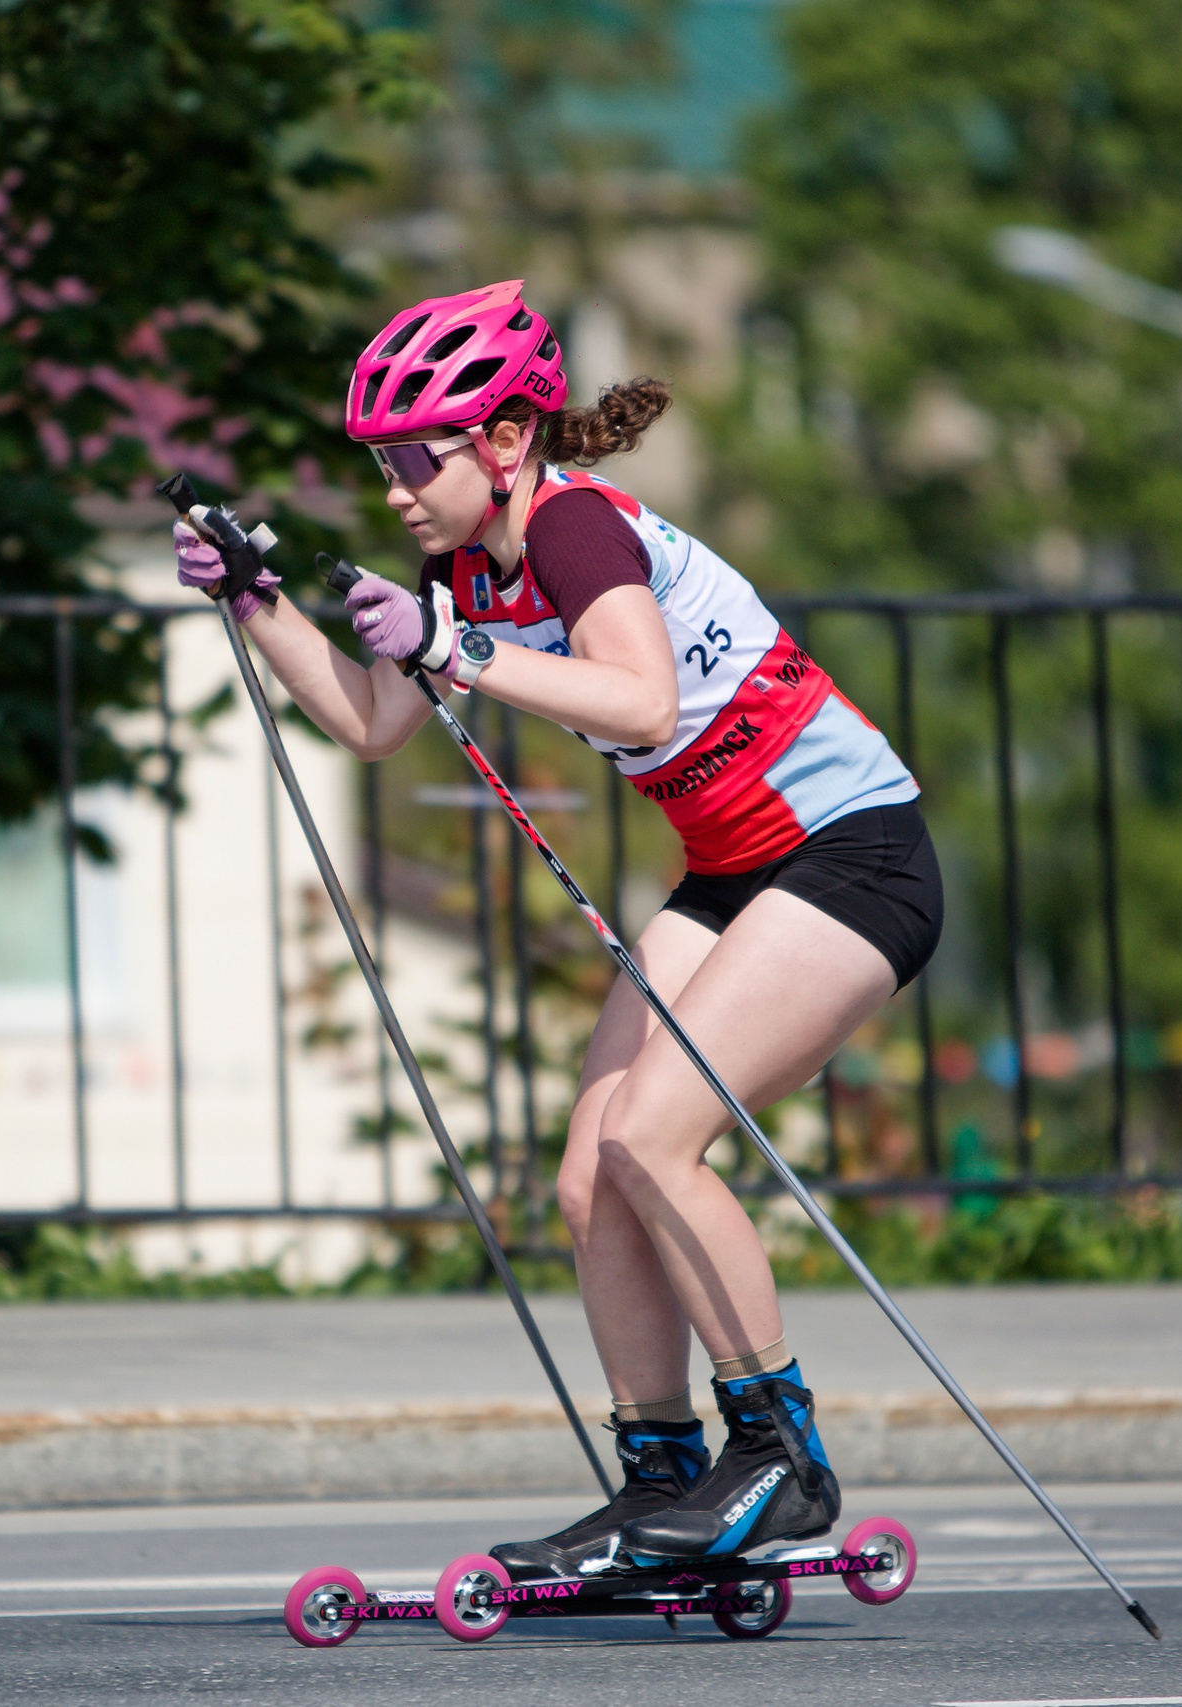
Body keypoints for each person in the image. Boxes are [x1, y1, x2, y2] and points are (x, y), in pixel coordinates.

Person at [173, 280, 941, 1574]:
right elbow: (373, 724)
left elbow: (640, 704)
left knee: (654, 1135)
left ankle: (781, 1459)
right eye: (381, 467)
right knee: (591, 1171)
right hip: (733, 870)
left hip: (852, 855)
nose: (396, 490)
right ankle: (661, 1474)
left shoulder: (578, 530)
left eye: (417, 460)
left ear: (507, 441)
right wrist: (257, 602)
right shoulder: (463, 561)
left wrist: (455, 648)